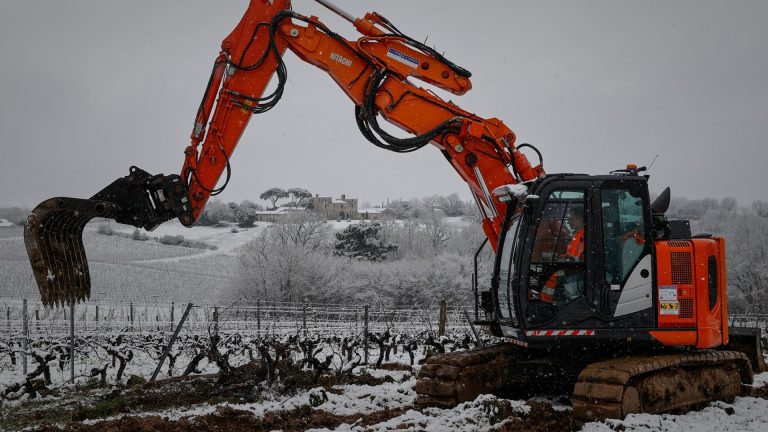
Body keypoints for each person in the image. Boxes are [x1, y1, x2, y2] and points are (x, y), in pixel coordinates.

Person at [540, 211, 585, 304]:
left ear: (579, 218)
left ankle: (546, 302)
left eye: (571, 219)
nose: (569, 222)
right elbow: (571, 254)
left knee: (553, 274)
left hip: (577, 269)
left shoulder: (585, 235)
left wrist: (570, 259)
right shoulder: (578, 235)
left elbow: (583, 257)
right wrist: (558, 257)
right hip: (571, 266)